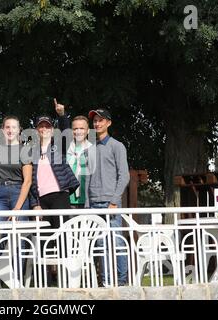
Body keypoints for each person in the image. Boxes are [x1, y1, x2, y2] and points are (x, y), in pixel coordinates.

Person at [86, 107, 130, 286]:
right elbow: (88, 177)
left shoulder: (117, 146)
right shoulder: (90, 149)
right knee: (100, 245)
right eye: (95, 120)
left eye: (100, 120)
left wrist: (114, 201)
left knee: (117, 242)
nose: (97, 123)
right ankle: (106, 282)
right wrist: (87, 204)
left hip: (110, 204)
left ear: (108, 123)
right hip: (94, 204)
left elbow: (124, 175)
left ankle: (121, 282)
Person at [29, 114, 80, 228]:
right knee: (44, 239)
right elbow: (28, 180)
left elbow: (66, 133)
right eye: (41, 126)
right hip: (41, 199)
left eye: (47, 126)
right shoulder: (31, 152)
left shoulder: (58, 146)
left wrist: (62, 115)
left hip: (60, 195)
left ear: (52, 130)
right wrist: (34, 204)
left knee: (62, 236)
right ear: (36, 130)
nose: (44, 129)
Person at [54, 99, 92, 209]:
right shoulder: (65, 147)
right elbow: (63, 129)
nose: (78, 131)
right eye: (75, 128)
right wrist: (62, 115)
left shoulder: (94, 149)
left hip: (87, 201)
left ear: (88, 131)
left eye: (82, 128)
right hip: (68, 200)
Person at [0, 115, 32, 220]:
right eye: (7, 127)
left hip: (18, 192)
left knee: (19, 231)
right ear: (2, 130)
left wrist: (17, 208)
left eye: (14, 127)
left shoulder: (25, 150)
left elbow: (28, 181)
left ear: (19, 130)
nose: (10, 130)